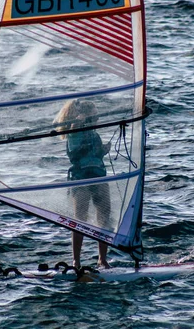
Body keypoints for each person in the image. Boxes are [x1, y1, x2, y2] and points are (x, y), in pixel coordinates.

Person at [53, 99, 111, 269]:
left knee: (104, 217)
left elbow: (96, 154)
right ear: (84, 116)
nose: (97, 118)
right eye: (94, 115)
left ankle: (102, 259)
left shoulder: (95, 134)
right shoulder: (75, 130)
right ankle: (76, 261)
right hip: (81, 178)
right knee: (81, 218)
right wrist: (80, 119)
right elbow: (76, 153)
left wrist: (103, 150)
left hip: (99, 175)